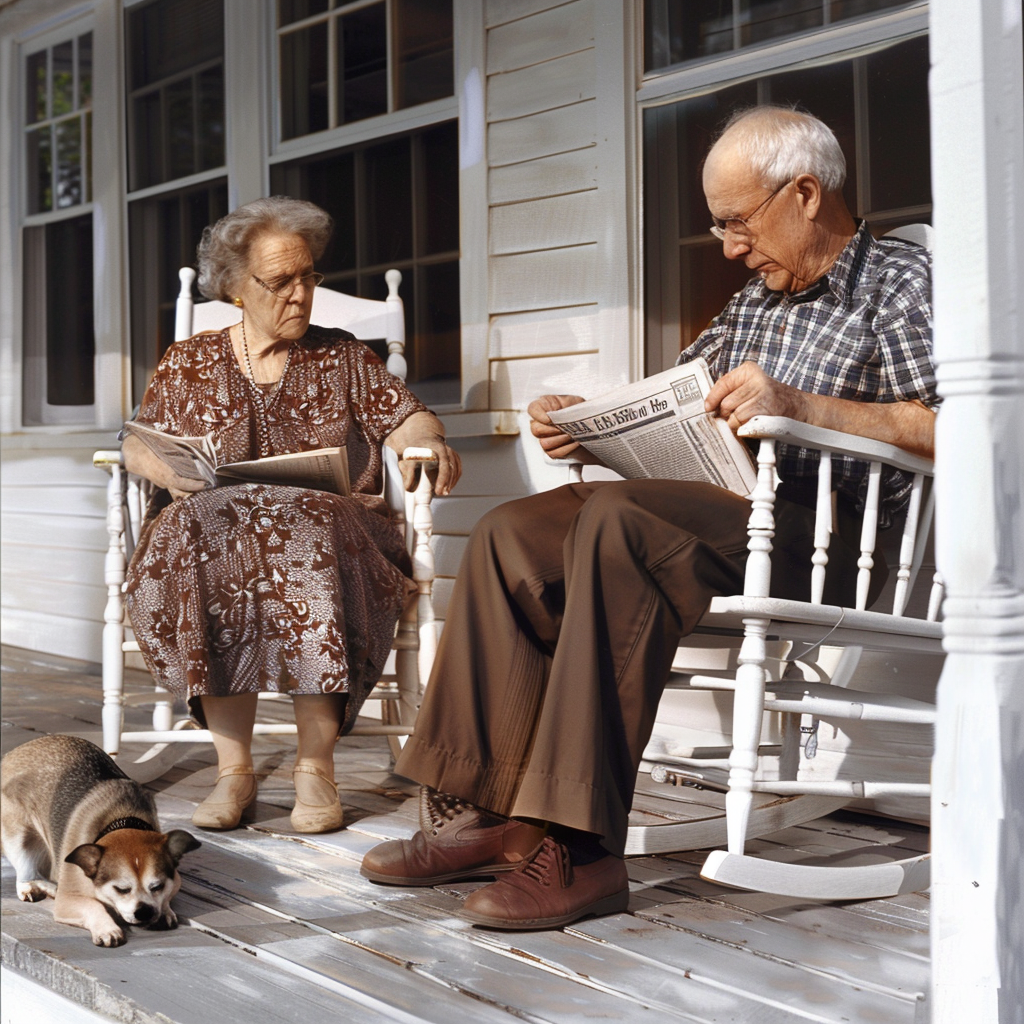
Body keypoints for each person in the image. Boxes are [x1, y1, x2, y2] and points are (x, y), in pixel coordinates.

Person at [360, 105, 938, 930]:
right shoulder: (754, 303)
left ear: (805, 193)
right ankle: (484, 813)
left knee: (622, 523)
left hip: (827, 534)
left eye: (738, 222)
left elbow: (955, 425)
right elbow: (675, 405)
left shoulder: (899, 284)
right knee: (510, 533)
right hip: (726, 515)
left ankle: (581, 848)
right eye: (720, 224)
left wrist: (802, 404)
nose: (729, 245)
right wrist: (590, 422)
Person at [123, 196, 460, 835]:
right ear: (233, 289)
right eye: (281, 281)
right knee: (201, 528)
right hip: (213, 526)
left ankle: (315, 768)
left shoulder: (344, 356)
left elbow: (407, 416)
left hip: (329, 530)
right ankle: (235, 769)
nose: (301, 294)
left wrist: (428, 439)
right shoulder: (188, 362)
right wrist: (167, 471)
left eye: (309, 276)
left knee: (302, 526)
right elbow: (138, 440)